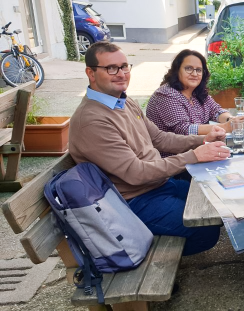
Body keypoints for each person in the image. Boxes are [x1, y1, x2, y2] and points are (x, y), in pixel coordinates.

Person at [69, 41, 231, 256]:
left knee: (218, 198)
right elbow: (136, 173)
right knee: (207, 229)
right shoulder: (92, 120)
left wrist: (203, 139)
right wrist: (194, 156)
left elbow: (160, 139)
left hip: (159, 184)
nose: (121, 74)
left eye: (124, 66)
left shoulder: (124, 102)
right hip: (133, 201)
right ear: (91, 73)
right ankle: (148, 253)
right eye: (111, 68)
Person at [146, 49, 238, 157]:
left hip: (197, 154)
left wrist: (231, 120)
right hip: (172, 162)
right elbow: (184, 129)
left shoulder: (195, 92)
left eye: (198, 70)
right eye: (188, 69)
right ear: (177, 70)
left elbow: (216, 110)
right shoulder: (166, 95)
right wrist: (225, 127)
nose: (194, 74)